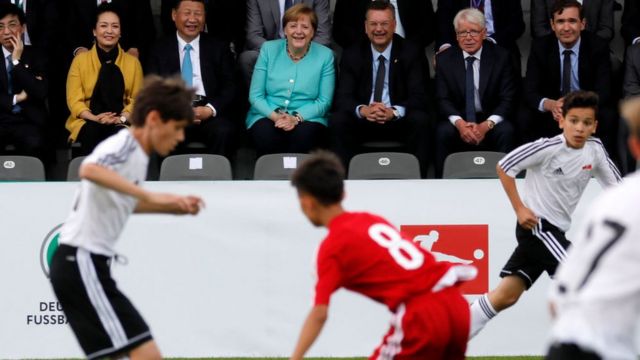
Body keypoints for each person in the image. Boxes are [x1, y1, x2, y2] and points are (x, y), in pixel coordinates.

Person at [49, 75, 204, 360]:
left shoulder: (139, 155)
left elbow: (123, 203)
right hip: (81, 262)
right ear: (155, 119)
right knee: (146, 354)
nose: (181, 137)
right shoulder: (126, 145)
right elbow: (89, 170)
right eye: (178, 128)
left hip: (83, 266)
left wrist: (171, 207)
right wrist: (153, 197)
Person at [289, 151, 476, 359]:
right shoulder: (370, 219)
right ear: (343, 194)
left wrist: (295, 357)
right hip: (455, 303)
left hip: (422, 314)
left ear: (307, 203)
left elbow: (319, 313)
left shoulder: (331, 248)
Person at [469, 90, 622, 339]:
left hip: (555, 232)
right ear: (561, 121)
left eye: (586, 123)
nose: (579, 128)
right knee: (582, 275)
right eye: (573, 121)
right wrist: (520, 209)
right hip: (537, 228)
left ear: (595, 126)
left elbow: (618, 189)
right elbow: (504, 166)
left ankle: (448, 335)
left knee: (506, 295)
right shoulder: (547, 147)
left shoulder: (595, 149)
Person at [546, 96, 640, 360]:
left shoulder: (611, 200)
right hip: (603, 349)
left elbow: (557, 300)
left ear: (633, 146)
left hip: (566, 338)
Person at [330, 0, 430, 175]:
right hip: (364, 120)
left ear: (394, 25)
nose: (379, 29)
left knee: (421, 120)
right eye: (374, 24)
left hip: (398, 120)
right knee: (338, 121)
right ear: (365, 26)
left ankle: (418, 181)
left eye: (384, 23)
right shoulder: (353, 53)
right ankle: (344, 183)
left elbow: (419, 96)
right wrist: (363, 110)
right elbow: (343, 97)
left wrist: (394, 111)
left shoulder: (410, 51)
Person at [522, 0, 615, 158]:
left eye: (572, 21)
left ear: (582, 24)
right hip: (553, 109)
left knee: (609, 116)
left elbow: (604, 91)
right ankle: (530, 169)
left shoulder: (598, 46)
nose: (566, 28)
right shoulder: (540, 47)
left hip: (585, 106)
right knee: (525, 117)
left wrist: (575, 107)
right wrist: (550, 104)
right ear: (552, 25)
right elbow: (530, 90)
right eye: (560, 21)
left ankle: (604, 168)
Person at [147, 0, 237, 158]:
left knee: (224, 131)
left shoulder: (218, 47)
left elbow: (230, 86)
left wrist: (210, 109)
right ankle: (170, 181)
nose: (193, 19)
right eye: (187, 13)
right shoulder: (159, 49)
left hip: (208, 111)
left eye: (198, 14)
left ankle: (220, 181)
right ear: (174, 15)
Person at [435, 8, 517, 178]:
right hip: (460, 119)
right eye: (463, 32)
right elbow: (442, 99)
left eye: (473, 31)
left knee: (507, 131)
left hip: (490, 119)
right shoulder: (444, 59)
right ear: (456, 36)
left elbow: (508, 99)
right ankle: (440, 185)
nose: (468, 37)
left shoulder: (501, 57)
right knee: (442, 132)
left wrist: (486, 125)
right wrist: (460, 124)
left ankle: (506, 182)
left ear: (484, 33)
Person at [246, 4, 334, 156]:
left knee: (303, 137)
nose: (298, 32)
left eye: (305, 27)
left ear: (313, 32)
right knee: (266, 137)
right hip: (267, 113)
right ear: (285, 30)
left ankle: (302, 179)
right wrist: (277, 117)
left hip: (308, 116)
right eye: (293, 26)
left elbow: (324, 101)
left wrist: (296, 118)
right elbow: (255, 96)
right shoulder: (268, 50)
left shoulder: (325, 56)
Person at [65, 3, 144, 156]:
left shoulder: (133, 62)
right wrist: (95, 118)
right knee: (91, 133)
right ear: (94, 31)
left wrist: (120, 118)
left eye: (115, 26)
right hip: (88, 119)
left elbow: (138, 100)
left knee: (120, 137)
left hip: (122, 120)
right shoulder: (80, 61)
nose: (109, 31)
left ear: (120, 32)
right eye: (103, 26)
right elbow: (74, 100)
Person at [240, 0, 331, 84]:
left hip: (305, 50)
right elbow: (254, 35)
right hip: (271, 52)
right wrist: (281, 53)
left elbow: (323, 36)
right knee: (248, 58)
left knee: (329, 57)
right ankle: (265, 98)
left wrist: (301, 54)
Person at [0, 3, 47, 158]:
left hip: (27, 120)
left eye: (12, 25)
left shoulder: (37, 55)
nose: (7, 32)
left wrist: (16, 62)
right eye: (1, 26)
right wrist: (16, 98)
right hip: (1, 118)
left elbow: (40, 92)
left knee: (35, 143)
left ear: (23, 27)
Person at [332, 0, 435, 50]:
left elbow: (429, 28)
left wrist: (409, 49)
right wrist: (364, 50)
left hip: (408, 56)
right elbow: (339, 30)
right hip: (362, 57)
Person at [531, 0, 614, 43]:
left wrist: (583, 46)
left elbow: (606, 30)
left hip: (593, 49)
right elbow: (539, 29)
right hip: (551, 49)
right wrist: (562, 47)